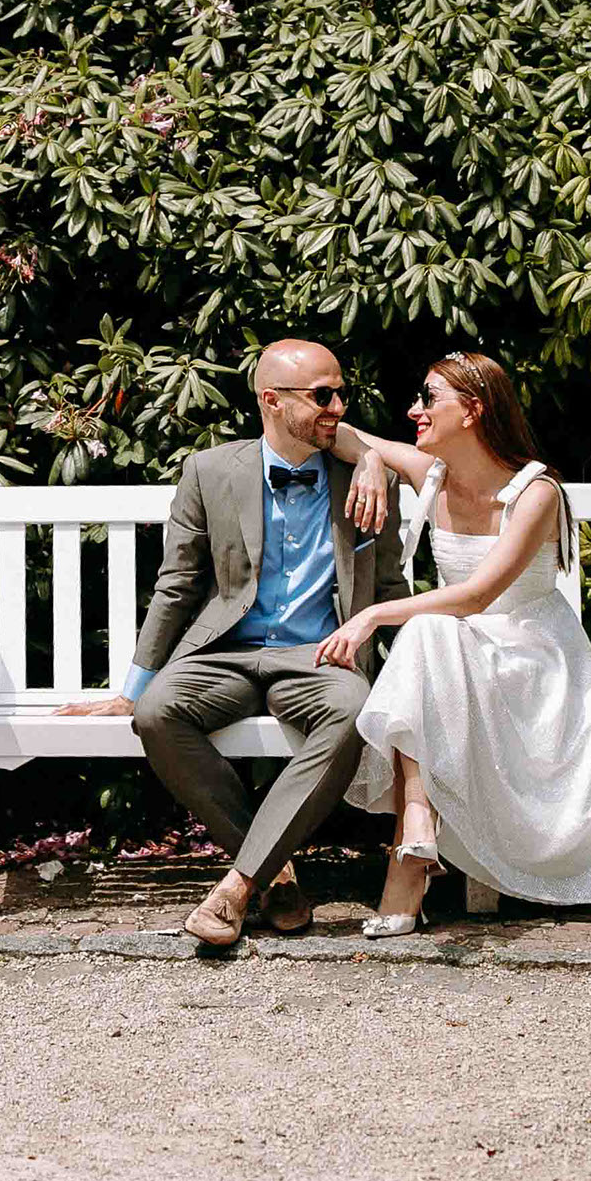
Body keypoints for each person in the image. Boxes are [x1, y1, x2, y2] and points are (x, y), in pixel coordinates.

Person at [54, 340, 407, 947]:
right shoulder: (211, 472)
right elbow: (179, 583)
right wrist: (133, 689)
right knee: (159, 713)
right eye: (323, 395)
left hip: (320, 655)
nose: (338, 407)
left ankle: (238, 886)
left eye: (342, 393)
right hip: (226, 652)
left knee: (353, 714)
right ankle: (277, 872)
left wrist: (413, 674)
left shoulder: (366, 477)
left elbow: (394, 586)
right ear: (272, 400)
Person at [322, 352, 591, 936]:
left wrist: (375, 615)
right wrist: (373, 459)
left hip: (533, 662)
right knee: (432, 632)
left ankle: (408, 863)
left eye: (430, 399)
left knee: (429, 629)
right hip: (459, 651)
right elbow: (342, 435)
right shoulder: (429, 472)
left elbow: (479, 596)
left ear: (474, 411)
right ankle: (417, 829)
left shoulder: (536, 492)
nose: (415, 410)